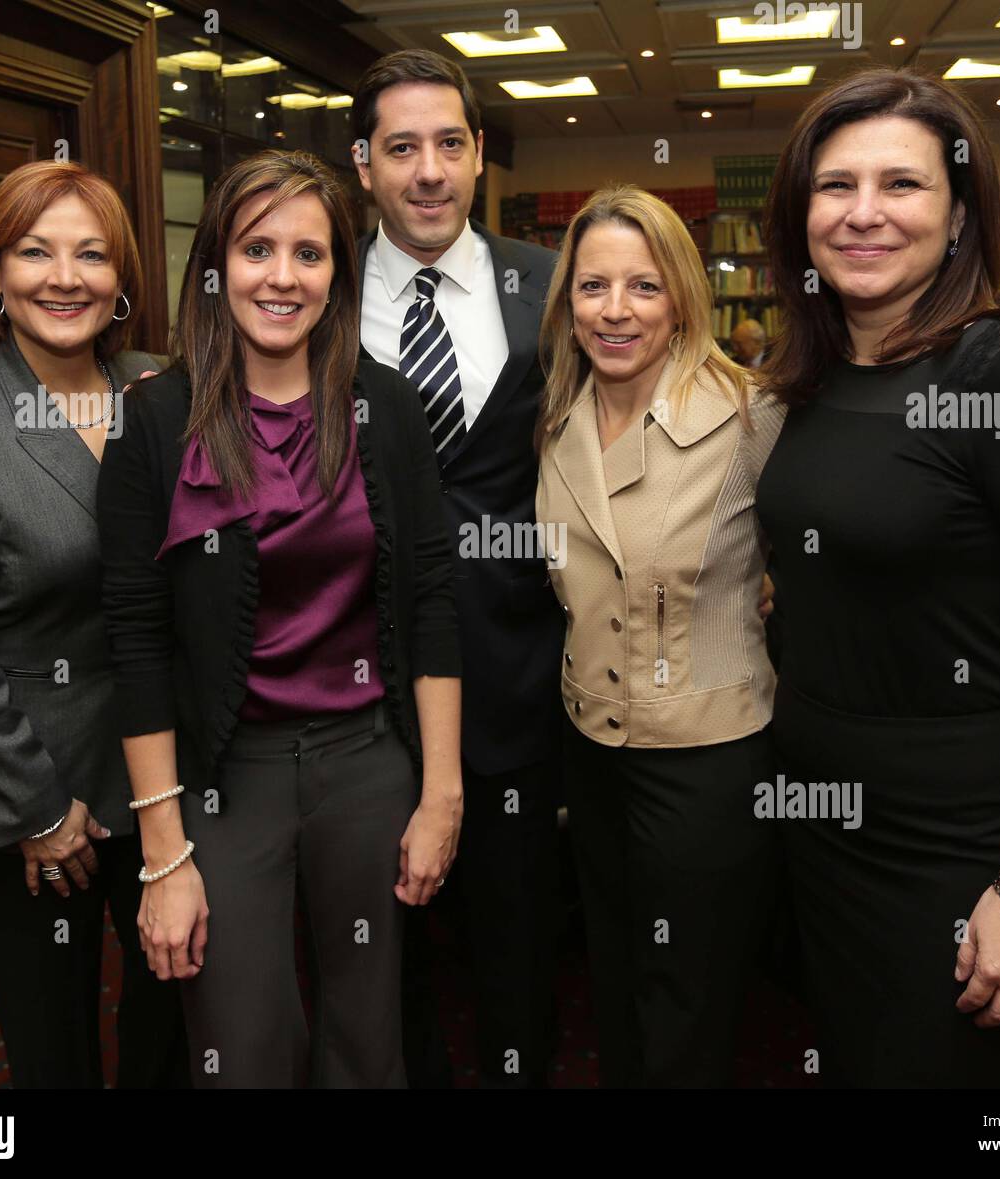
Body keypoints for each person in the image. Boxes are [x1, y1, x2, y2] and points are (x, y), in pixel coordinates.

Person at [755, 68, 1000, 1088]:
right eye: (834, 186)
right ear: (799, 213)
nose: (863, 213)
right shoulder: (814, 372)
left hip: (960, 843)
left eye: (901, 185)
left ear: (960, 214)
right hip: (821, 820)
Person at [96, 149, 462, 1088]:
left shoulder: (387, 404)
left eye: (310, 252)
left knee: (370, 1039)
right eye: (258, 248)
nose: (283, 276)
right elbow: (135, 639)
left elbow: (430, 598)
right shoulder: (156, 418)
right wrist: (162, 851)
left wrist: (442, 792)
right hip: (227, 774)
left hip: (369, 759)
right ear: (216, 265)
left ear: (340, 270)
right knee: (242, 1041)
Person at [0, 160, 188, 1088]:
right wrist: (39, 810)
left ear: (122, 279)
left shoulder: (161, 389)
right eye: (34, 252)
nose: (65, 277)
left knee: (168, 1011)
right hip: (22, 785)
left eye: (91, 254)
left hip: (154, 768)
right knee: (51, 1036)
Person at [535, 185, 785, 1087]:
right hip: (592, 749)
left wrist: (768, 588)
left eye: (643, 286)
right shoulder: (558, 420)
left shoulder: (754, 413)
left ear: (681, 293)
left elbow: (836, 551)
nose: (614, 309)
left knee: (690, 992)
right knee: (615, 969)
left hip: (707, 760)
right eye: (592, 286)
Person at [351, 48, 563, 1088]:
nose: (427, 171)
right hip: (350, 679)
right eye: (401, 148)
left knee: (516, 941)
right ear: (363, 166)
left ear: (479, 156)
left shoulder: (552, 284)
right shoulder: (306, 284)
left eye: (448, 144)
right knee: (378, 949)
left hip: (517, 671)